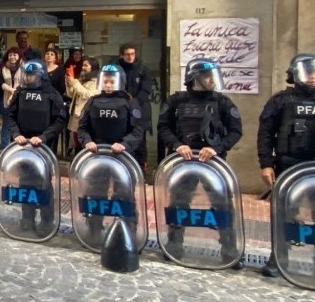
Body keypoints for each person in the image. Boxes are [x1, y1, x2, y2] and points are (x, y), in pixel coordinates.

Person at [156, 58, 243, 268]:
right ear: (195, 78)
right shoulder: (176, 101)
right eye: (207, 77)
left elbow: (235, 131)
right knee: (178, 202)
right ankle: (175, 244)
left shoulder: (222, 102)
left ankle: (229, 249)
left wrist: (217, 148)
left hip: (213, 162)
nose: (212, 80)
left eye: (213, 76)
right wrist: (177, 145)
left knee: (222, 203)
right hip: (183, 161)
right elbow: (163, 127)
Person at [257, 54, 315, 277]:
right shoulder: (281, 100)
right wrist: (266, 163)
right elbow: (266, 133)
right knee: (283, 213)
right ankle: (278, 259)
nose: (313, 76)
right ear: (295, 75)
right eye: (308, 71)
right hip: (288, 165)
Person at [76, 63, 145, 245]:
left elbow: (138, 131)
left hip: (122, 157)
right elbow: (82, 128)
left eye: (111, 82)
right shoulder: (93, 101)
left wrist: (125, 144)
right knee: (95, 194)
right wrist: (87, 141)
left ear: (120, 82)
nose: (108, 85)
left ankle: (127, 233)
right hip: (98, 157)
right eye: (105, 81)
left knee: (124, 195)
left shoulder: (129, 102)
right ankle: (93, 231)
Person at [4, 60, 67, 230]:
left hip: (43, 146)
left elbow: (60, 120)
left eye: (31, 75)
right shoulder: (20, 93)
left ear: (40, 75)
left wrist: (44, 137)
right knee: (25, 182)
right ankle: (27, 219)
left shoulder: (51, 94)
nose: (28, 78)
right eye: (26, 75)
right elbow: (10, 116)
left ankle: (47, 220)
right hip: (23, 145)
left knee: (43, 183)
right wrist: (16, 134)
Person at [118, 43, 153, 165]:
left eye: (132, 54)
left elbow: (146, 89)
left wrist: (134, 102)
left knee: (140, 141)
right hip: (122, 109)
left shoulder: (142, 68)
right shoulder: (118, 68)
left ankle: (141, 167)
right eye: (127, 54)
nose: (130, 57)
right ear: (122, 55)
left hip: (140, 109)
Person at [66, 57, 100, 156]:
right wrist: (69, 84)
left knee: (83, 142)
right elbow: (71, 95)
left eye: (86, 65)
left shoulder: (97, 82)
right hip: (75, 115)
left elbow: (88, 95)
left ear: (93, 67)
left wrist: (75, 83)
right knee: (76, 142)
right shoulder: (82, 79)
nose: (83, 68)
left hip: (84, 115)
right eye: (83, 65)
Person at [0, 47, 24, 148]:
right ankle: (5, 148)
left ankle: (18, 147)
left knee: (19, 124)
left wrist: (16, 91)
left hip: (20, 99)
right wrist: (10, 89)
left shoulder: (24, 67)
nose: (12, 57)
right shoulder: (2, 67)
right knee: (6, 124)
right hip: (6, 99)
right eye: (10, 55)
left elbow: (25, 81)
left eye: (15, 55)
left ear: (19, 56)